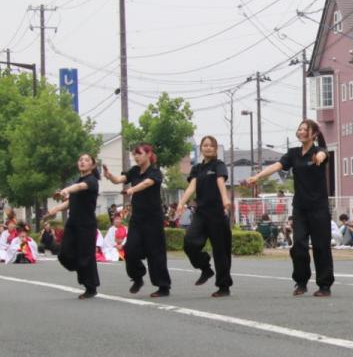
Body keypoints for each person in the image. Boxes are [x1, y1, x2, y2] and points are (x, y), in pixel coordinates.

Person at [246, 120, 334, 297]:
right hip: (300, 208)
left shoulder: (319, 151)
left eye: (305, 129)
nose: (301, 132)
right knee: (299, 245)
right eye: (299, 129)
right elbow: (277, 166)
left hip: (319, 208)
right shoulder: (293, 153)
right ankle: (301, 282)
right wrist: (258, 176)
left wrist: (318, 158)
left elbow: (322, 155)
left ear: (313, 134)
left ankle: (324, 285)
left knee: (321, 247)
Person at [104, 144, 172, 298]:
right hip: (137, 219)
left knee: (156, 253)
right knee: (130, 249)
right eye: (134, 154)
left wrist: (132, 189)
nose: (136, 157)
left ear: (148, 154)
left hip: (153, 219)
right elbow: (119, 179)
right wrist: (110, 176)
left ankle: (163, 286)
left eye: (139, 154)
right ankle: (137, 277)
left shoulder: (155, 172)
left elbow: (147, 183)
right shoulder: (134, 171)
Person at [174, 136, 233, 297]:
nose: (208, 148)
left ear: (215, 149)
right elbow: (191, 187)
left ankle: (223, 286)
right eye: (205, 145)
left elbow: (221, 182)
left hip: (218, 213)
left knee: (221, 251)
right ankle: (205, 268)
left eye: (211, 145)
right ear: (201, 148)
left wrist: (225, 199)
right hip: (201, 213)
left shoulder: (219, 165)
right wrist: (181, 203)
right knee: (189, 242)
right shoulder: (197, 168)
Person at [46, 153, 101, 299]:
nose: (82, 162)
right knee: (64, 254)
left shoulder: (91, 181)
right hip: (73, 222)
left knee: (86, 256)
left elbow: (79, 187)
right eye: (80, 160)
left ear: (92, 165)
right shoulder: (77, 180)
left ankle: (91, 287)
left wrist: (66, 190)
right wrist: (55, 209)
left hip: (86, 224)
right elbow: (71, 202)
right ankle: (81, 268)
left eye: (86, 160)